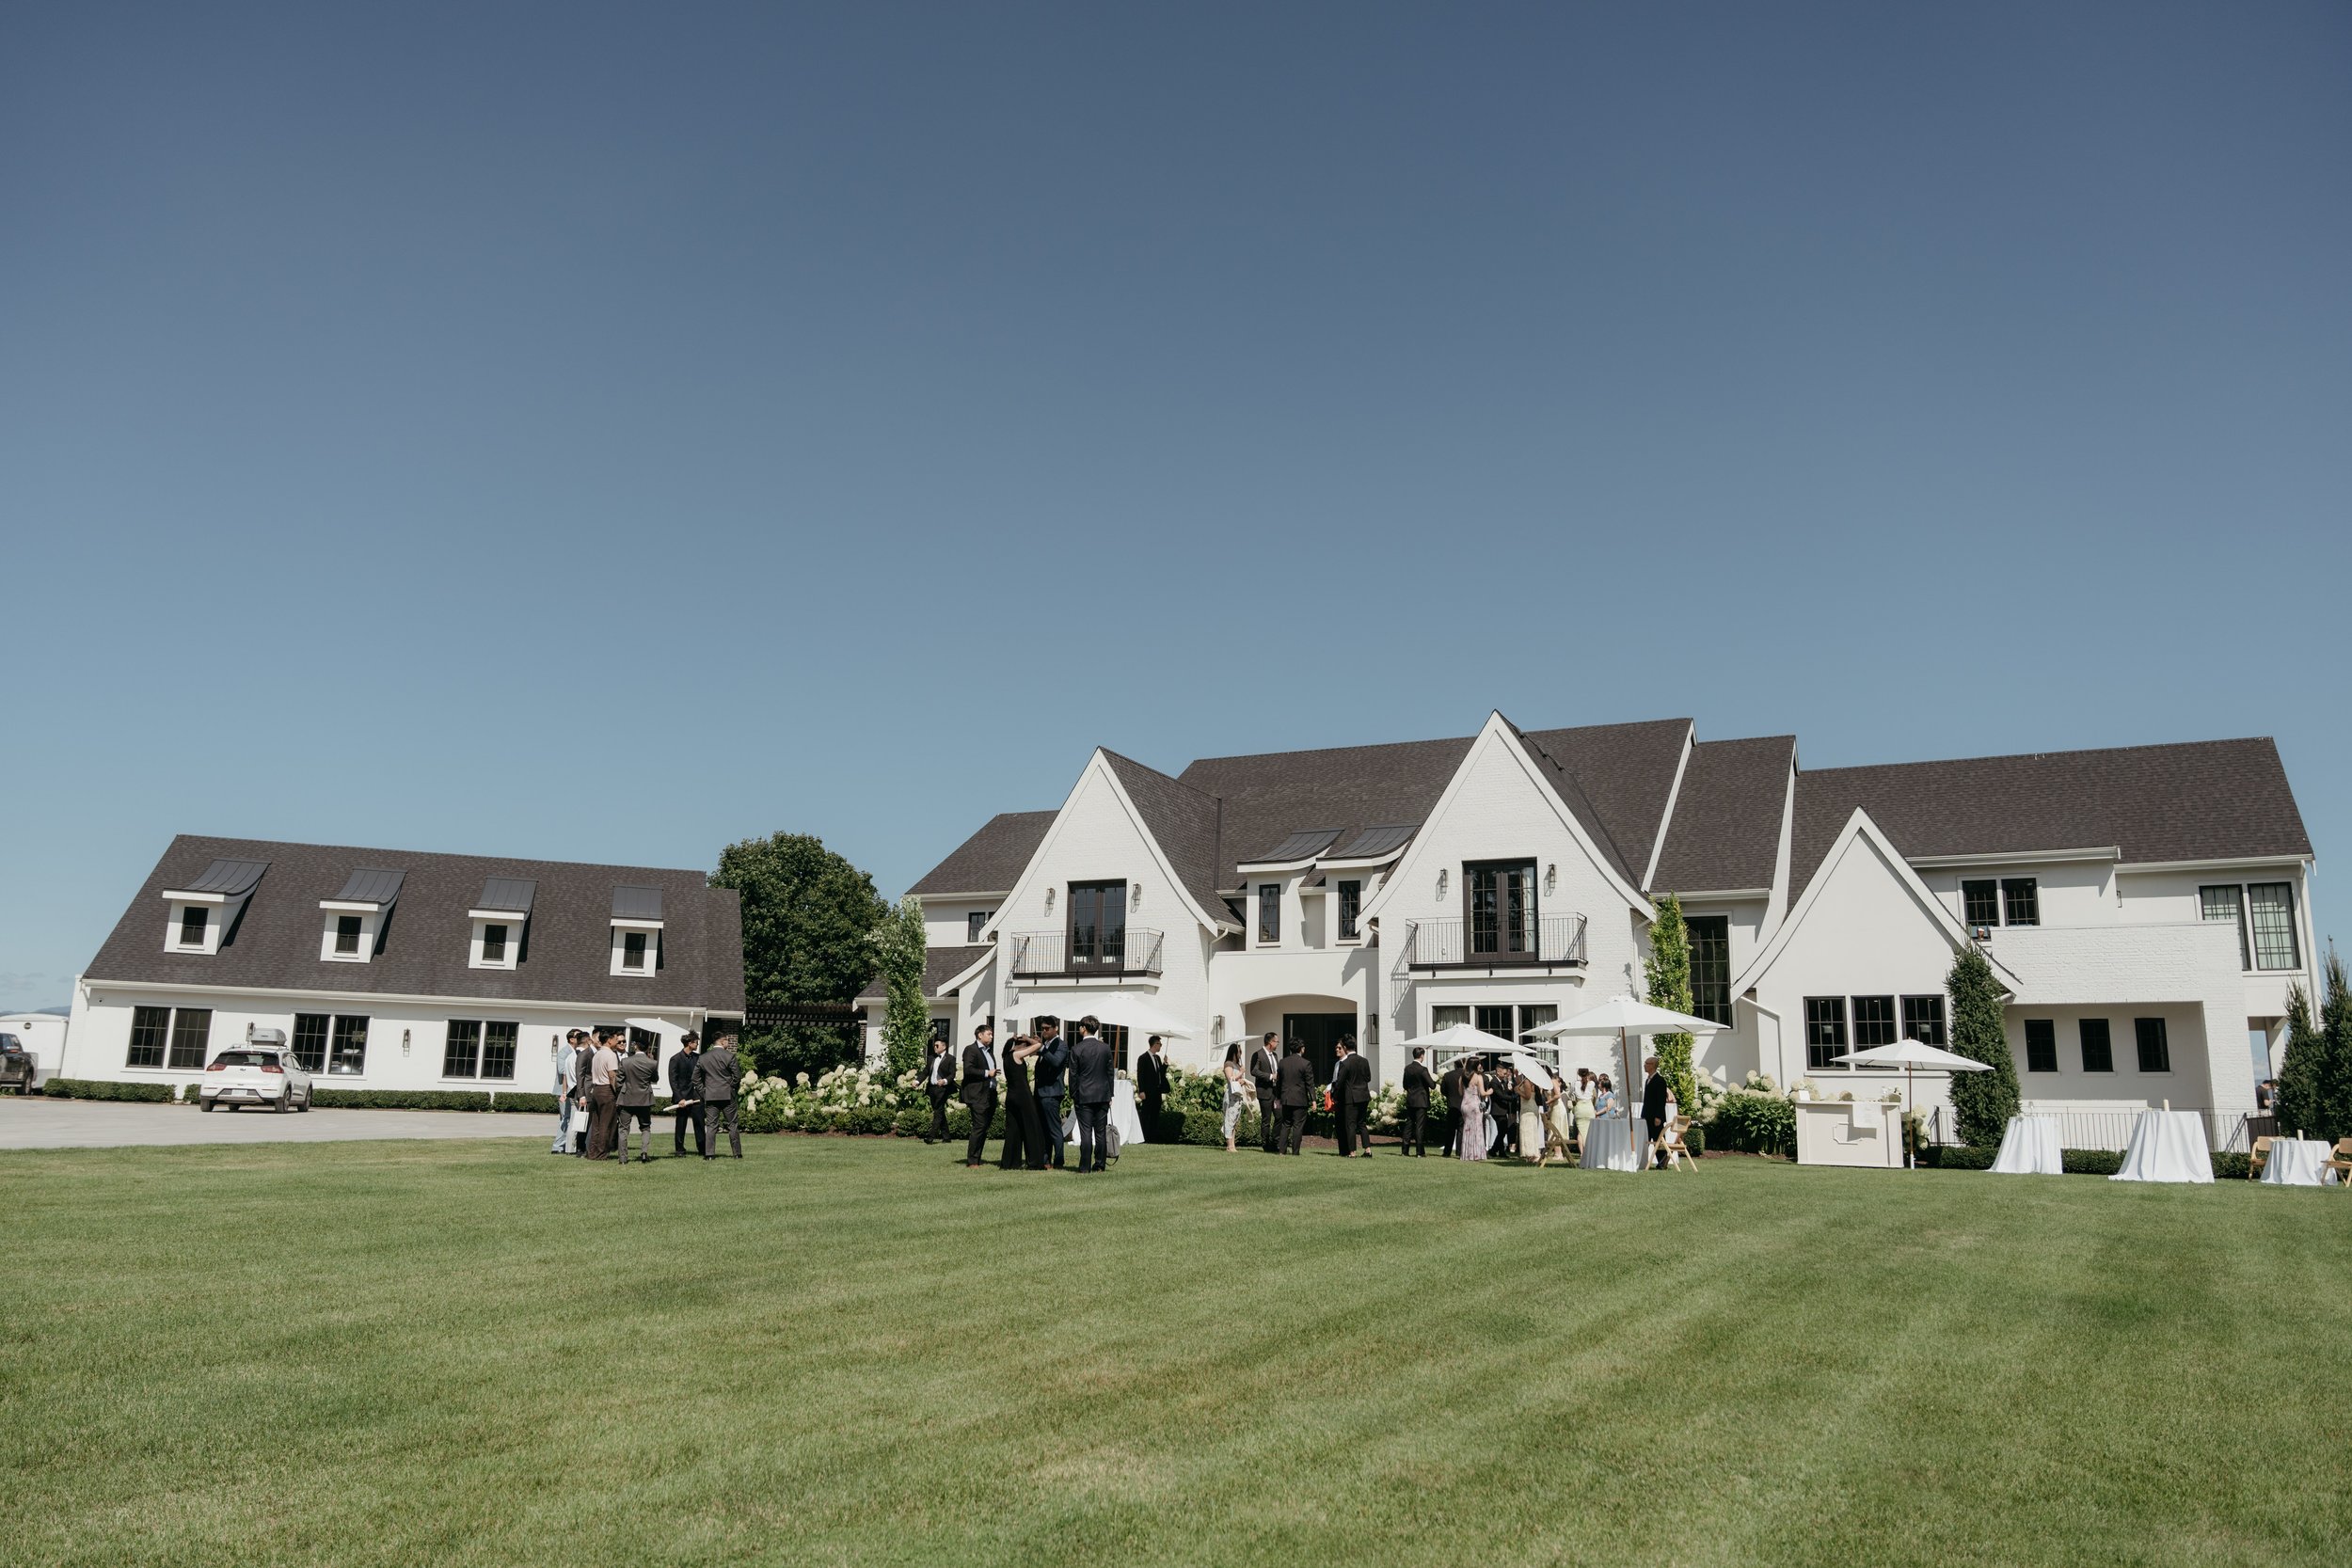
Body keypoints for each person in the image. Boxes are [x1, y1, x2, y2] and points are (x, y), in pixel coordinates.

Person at [1070, 1016, 1117, 1173]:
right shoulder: (1105, 1048)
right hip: (1102, 1095)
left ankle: (1084, 1167)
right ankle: (1100, 1165)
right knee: (1100, 1133)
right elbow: (1110, 1073)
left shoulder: (1077, 1049)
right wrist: (1110, 1094)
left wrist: (1074, 1094)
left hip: (1083, 1096)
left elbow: (1073, 1075)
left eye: (1080, 1026)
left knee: (1086, 1133)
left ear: (1084, 1028)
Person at [1000, 1034, 1047, 1171]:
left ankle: (1010, 1162)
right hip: (1023, 1096)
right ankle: (1034, 1162)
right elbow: (1038, 1046)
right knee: (1031, 1128)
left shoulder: (1006, 1056)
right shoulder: (1016, 1054)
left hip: (1011, 1096)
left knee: (1013, 1130)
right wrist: (1028, 1039)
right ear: (1021, 1045)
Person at [696, 1034, 744, 1159]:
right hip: (727, 1095)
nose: (728, 1042)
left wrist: (703, 1092)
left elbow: (695, 1078)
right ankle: (737, 1153)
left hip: (711, 1095)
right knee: (732, 1124)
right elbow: (737, 1076)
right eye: (727, 1040)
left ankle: (709, 1154)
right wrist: (731, 1088)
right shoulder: (729, 1056)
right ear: (722, 1042)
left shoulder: (703, 1057)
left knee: (711, 1125)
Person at [959, 1024, 1000, 1169]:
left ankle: (977, 1158)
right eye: (989, 1034)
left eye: (992, 1034)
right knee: (979, 1126)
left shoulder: (989, 1052)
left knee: (984, 1127)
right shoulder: (971, 1049)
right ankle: (972, 1161)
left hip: (989, 1093)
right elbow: (968, 1069)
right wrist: (987, 1073)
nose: (991, 1037)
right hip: (977, 1095)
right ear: (980, 1035)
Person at [615, 1032, 660, 1164]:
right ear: (647, 1048)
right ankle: (644, 1152)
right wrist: (651, 1062)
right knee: (645, 1128)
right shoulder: (652, 1063)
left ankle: (623, 1158)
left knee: (623, 1129)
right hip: (644, 1099)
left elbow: (618, 1081)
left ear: (636, 1047)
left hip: (627, 1098)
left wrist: (622, 1091)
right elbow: (655, 1079)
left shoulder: (625, 1061)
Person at [1031, 1017, 1070, 1169]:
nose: (1044, 1031)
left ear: (1056, 1028)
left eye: (1047, 1028)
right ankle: (1045, 1159)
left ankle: (1059, 1161)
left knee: (1054, 1129)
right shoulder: (1046, 1044)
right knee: (1044, 1129)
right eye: (1043, 1028)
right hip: (1041, 1092)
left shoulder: (1061, 1045)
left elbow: (1055, 1062)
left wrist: (1041, 1048)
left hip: (1052, 1093)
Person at [583, 1026, 622, 1161]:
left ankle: (592, 1152)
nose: (618, 1042)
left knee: (596, 1124)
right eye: (616, 1039)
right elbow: (612, 1076)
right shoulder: (610, 1055)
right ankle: (601, 1153)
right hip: (606, 1090)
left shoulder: (597, 1054)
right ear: (609, 1040)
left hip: (596, 1090)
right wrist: (617, 1092)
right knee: (606, 1124)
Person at [1331, 1036, 1372, 1157]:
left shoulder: (1345, 1063)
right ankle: (1368, 1150)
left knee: (1351, 1124)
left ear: (1345, 1047)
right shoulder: (1364, 1061)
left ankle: (1352, 1151)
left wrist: (1334, 1096)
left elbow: (1339, 1082)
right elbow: (1368, 1078)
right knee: (1362, 1123)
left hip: (1351, 1097)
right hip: (1364, 1095)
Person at [1275, 1038, 1313, 1155]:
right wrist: (1313, 1100)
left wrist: (1278, 1098)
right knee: (1298, 1126)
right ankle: (1295, 1152)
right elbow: (1310, 1084)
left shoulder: (1282, 1062)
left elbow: (1279, 1082)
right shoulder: (1305, 1063)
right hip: (1300, 1099)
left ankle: (1282, 1151)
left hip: (1286, 1098)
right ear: (1301, 1049)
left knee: (1285, 1124)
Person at [669, 1031, 705, 1158]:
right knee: (681, 1124)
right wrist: (679, 1098)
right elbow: (673, 1081)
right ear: (690, 1043)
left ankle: (702, 1149)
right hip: (682, 1097)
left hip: (697, 1096)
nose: (698, 1044)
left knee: (699, 1123)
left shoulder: (699, 1058)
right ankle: (680, 1150)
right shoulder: (675, 1059)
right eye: (696, 1042)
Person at [550, 1028, 586, 1154]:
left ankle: (568, 1146)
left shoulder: (577, 1052)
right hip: (564, 1091)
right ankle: (557, 1147)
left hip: (572, 1090)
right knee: (566, 1119)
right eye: (578, 1036)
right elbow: (562, 1070)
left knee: (570, 1119)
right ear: (571, 1039)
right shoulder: (564, 1052)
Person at [1249, 1032, 1281, 1153]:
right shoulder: (1258, 1054)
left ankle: (1275, 1142)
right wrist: (1270, 1076)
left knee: (1280, 1117)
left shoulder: (1275, 1055)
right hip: (1264, 1092)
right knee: (1266, 1120)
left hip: (1276, 1092)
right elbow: (1254, 1071)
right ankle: (1266, 1145)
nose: (1278, 1044)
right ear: (1270, 1042)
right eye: (1277, 1041)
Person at [1400, 1047, 1433, 1156]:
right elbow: (1432, 1085)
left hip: (1411, 1099)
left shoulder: (1407, 1068)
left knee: (1408, 1125)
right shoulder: (1423, 1070)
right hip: (1421, 1100)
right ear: (1422, 1056)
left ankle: (1405, 1151)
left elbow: (1405, 1085)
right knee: (1419, 1127)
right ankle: (1420, 1152)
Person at [1136, 1035, 1171, 1139]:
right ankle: (1144, 1136)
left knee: (1155, 1114)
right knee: (1146, 1114)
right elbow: (1140, 1075)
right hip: (1148, 1091)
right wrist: (1141, 1091)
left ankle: (1153, 1136)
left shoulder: (1157, 1058)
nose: (1161, 1046)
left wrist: (1165, 1064)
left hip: (1157, 1091)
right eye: (1160, 1044)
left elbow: (1160, 1073)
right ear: (1155, 1044)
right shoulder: (1143, 1058)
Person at [1539, 1069, 1575, 1165]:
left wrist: (1547, 1102)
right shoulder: (1546, 1083)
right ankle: (1558, 1153)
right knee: (1555, 1129)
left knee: (1557, 1129)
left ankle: (1559, 1154)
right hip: (1554, 1108)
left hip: (1558, 1108)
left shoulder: (1553, 1081)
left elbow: (1558, 1095)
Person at [924, 1037, 957, 1143]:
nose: (935, 1047)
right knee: (940, 1111)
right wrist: (917, 1081)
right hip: (932, 1088)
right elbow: (925, 1071)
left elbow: (952, 1074)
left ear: (944, 1046)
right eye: (934, 1045)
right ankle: (947, 1137)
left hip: (943, 1089)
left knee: (938, 1112)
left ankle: (930, 1136)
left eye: (937, 1045)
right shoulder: (931, 1058)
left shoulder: (950, 1059)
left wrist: (944, 1081)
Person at [1641, 1055, 1671, 1169]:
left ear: (1652, 1065)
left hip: (1655, 1117)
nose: (1644, 1065)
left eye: (1646, 1063)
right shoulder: (1648, 1080)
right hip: (1647, 1115)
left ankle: (1663, 1162)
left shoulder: (1660, 1080)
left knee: (1659, 1139)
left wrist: (1658, 1116)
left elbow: (1661, 1100)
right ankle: (1642, 1161)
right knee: (1646, 1139)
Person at [570, 1031, 596, 1154]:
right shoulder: (584, 1054)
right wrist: (582, 1095)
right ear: (588, 1040)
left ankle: (584, 1147)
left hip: (590, 1091)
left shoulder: (591, 1053)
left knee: (588, 1121)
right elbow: (580, 1076)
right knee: (584, 1121)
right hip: (586, 1092)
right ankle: (580, 1148)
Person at [1219, 1043, 1248, 1151]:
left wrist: (1242, 1080)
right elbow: (1230, 1078)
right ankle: (1229, 1146)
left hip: (1238, 1095)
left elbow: (1238, 1080)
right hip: (1231, 1095)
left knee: (1234, 1120)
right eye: (1239, 1052)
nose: (1241, 1054)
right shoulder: (1228, 1064)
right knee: (1229, 1119)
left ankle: (1233, 1145)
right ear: (1234, 1052)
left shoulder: (1238, 1065)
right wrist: (1240, 1072)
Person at [1456, 1061, 1487, 1163]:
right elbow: (1482, 1093)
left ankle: (1466, 1153)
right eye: (1479, 1064)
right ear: (1475, 1065)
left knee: (1467, 1128)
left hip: (1465, 1104)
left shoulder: (1462, 1077)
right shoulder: (1478, 1077)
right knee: (1477, 1129)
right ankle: (1476, 1153)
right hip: (1474, 1105)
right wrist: (1490, 1091)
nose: (1480, 1065)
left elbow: (1460, 1092)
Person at [1438, 1056, 1466, 1158]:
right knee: (1461, 1129)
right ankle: (1459, 1151)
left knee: (1450, 1130)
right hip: (1463, 1104)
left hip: (1452, 1104)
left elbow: (1443, 1090)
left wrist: (1450, 1096)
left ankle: (1447, 1151)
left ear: (1454, 1065)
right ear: (1464, 1064)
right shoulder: (1466, 1075)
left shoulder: (1447, 1075)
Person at [1517, 1068, 1544, 1164]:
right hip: (1529, 1107)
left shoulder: (1527, 1082)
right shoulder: (1528, 1081)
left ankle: (1532, 1154)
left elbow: (1527, 1096)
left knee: (1528, 1130)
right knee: (1529, 1130)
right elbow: (1521, 1085)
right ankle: (1531, 1154)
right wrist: (1516, 1075)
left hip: (1528, 1107)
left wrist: (1518, 1091)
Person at [1573, 1069, 1597, 1151]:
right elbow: (1594, 1097)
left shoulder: (1575, 1083)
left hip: (1580, 1108)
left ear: (1579, 1074)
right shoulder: (1592, 1083)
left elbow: (1571, 1095)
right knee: (1589, 1131)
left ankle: (1582, 1153)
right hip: (1589, 1108)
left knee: (1580, 1132)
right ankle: (1588, 1151)